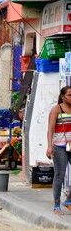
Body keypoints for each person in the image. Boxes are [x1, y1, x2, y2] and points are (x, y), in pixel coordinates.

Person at [46, 86, 71, 215]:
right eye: (69, 95)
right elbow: (50, 129)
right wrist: (49, 146)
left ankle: (68, 200)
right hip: (59, 146)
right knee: (59, 175)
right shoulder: (56, 109)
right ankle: (56, 205)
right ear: (62, 96)